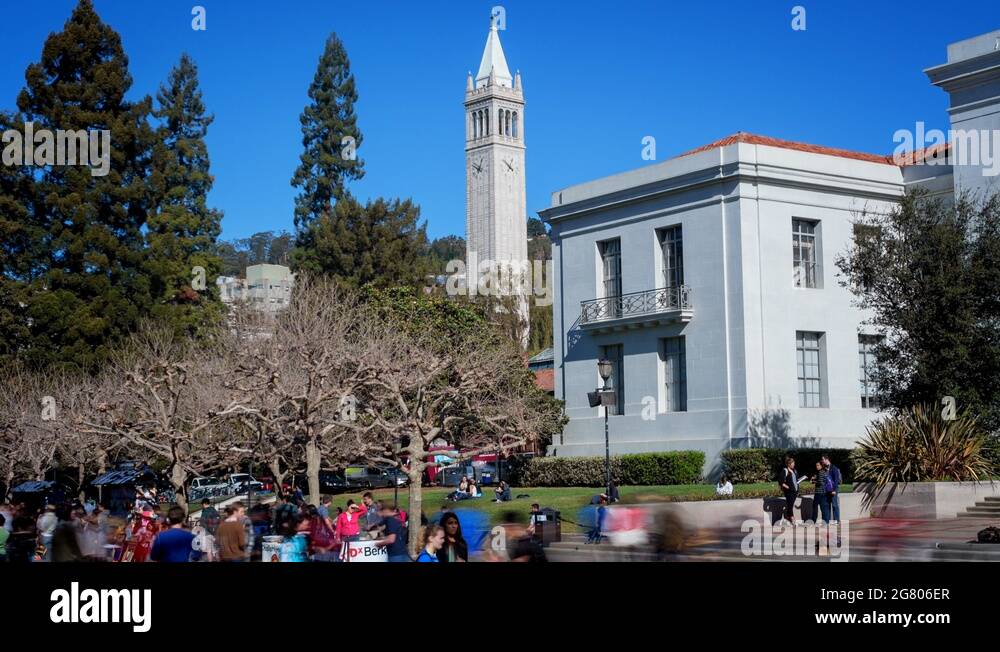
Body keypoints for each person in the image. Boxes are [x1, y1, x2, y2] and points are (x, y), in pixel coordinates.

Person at [822, 454, 842, 522]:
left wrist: (833, 490)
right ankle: (827, 520)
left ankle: (837, 520)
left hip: (833, 489)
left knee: (834, 504)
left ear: (826, 459)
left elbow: (836, 480)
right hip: (827, 489)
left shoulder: (834, 468)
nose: (822, 461)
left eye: (823, 459)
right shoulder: (824, 468)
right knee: (827, 505)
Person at [778, 457, 799, 524]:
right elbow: (780, 481)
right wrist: (787, 487)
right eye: (792, 463)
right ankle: (792, 518)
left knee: (791, 504)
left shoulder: (794, 471)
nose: (794, 465)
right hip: (789, 492)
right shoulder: (785, 470)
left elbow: (796, 480)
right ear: (789, 464)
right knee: (790, 505)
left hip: (795, 491)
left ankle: (787, 516)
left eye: (794, 463)